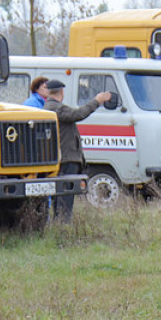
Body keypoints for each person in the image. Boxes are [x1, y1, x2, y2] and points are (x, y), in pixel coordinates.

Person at [44, 79, 112, 222]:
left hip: (60, 158)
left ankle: (59, 222)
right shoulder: (56, 108)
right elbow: (79, 114)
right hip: (67, 159)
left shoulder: (48, 107)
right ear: (62, 92)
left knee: (59, 195)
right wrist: (97, 101)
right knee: (66, 195)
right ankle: (64, 225)